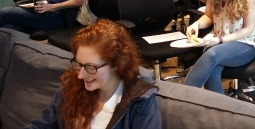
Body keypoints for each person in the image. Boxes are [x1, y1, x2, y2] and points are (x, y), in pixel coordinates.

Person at [26, 19, 161, 128]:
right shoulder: (71, 86)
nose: (81, 75)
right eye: (79, 64)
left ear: (117, 64)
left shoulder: (140, 102)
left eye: (91, 67)